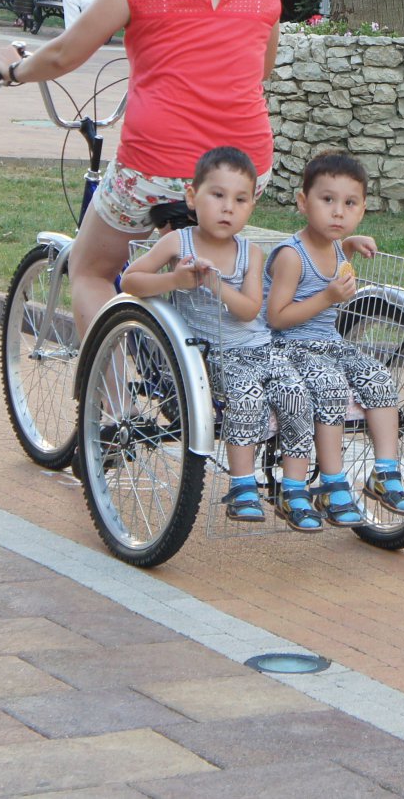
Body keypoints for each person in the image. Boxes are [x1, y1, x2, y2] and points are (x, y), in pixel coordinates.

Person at [0, 0, 283, 340]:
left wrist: (14, 70)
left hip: (158, 163)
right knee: (190, 251)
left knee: (90, 270)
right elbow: (262, 69)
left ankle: (112, 391)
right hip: (245, 167)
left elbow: (63, 55)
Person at [121, 147, 321, 530]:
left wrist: (215, 285)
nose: (228, 208)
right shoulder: (178, 243)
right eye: (217, 195)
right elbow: (131, 280)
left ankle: (294, 489)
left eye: (240, 200)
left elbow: (249, 309)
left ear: (251, 208)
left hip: (259, 347)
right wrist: (175, 280)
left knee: (296, 393)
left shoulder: (251, 253)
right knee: (247, 395)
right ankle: (242, 486)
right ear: (192, 197)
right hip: (210, 355)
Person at [266, 152, 404, 522]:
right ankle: (332, 484)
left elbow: (335, 253)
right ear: (303, 203)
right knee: (330, 384)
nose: (338, 213)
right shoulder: (291, 256)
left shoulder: (334, 246)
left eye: (349, 204)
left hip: (328, 342)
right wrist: (327, 297)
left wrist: (349, 245)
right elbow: (276, 317)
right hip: (287, 345)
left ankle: (385, 472)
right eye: (327, 200)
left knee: (379, 377)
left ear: (362, 210)